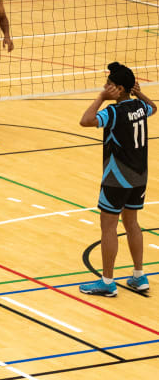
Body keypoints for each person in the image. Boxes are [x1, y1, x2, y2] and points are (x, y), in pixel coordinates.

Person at [78, 62, 153, 296]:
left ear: (119, 89)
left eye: (109, 85)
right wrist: (139, 93)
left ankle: (108, 282)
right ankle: (139, 276)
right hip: (139, 176)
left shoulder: (113, 112)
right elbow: (153, 108)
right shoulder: (140, 106)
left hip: (117, 177)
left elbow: (86, 120)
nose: (105, 86)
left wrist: (101, 97)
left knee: (108, 227)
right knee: (132, 223)